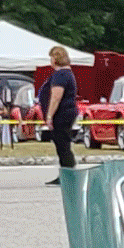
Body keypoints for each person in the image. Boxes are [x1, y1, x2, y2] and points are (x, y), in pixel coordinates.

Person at [43, 46, 80, 183]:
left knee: (63, 144)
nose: (50, 61)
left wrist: (49, 116)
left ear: (56, 58)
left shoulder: (61, 75)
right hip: (68, 112)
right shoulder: (67, 74)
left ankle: (68, 174)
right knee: (62, 144)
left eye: (51, 58)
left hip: (62, 113)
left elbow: (56, 97)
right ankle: (66, 172)